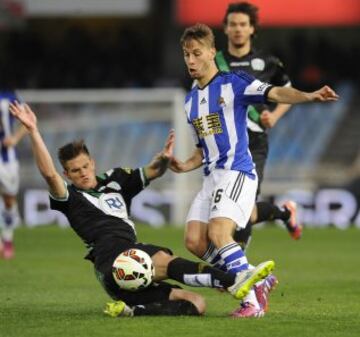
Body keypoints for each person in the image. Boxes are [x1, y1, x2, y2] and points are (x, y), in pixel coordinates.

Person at [9, 101, 275, 318]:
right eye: (75, 171)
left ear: (93, 162)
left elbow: (152, 172)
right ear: (67, 174)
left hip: (128, 266)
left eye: (85, 166)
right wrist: (33, 131)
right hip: (113, 259)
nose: (83, 174)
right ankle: (234, 280)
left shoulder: (115, 180)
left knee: (196, 304)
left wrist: (163, 159)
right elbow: (48, 174)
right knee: (163, 259)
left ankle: (133, 310)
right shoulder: (69, 197)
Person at [170, 23, 338, 317]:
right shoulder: (190, 101)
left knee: (220, 233)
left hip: (236, 171)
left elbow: (275, 93)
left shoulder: (233, 83)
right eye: (186, 55)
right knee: (194, 241)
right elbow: (202, 148)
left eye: (197, 53)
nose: (191, 61)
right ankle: (250, 275)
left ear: (212, 52)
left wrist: (309, 96)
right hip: (211, 176)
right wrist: (184, 165)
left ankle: (253, 302)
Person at [217, 2, 301, 247]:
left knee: (244, 204)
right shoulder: (214, 63)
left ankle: (239, 267)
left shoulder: (267, 62)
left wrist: (274, 116)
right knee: (231, 207)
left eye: (243, 24)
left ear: (252, 29)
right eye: (233, 24)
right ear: (225, 28)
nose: (238, 29)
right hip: (224, 143)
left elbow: (288, 92)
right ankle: (285, 213)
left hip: (254, 141)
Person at [0, 91, 27, 259]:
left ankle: (8, 238)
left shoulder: (8, 97)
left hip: (7, 160)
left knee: (9, 200)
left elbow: (27, 120)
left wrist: (15, 138)